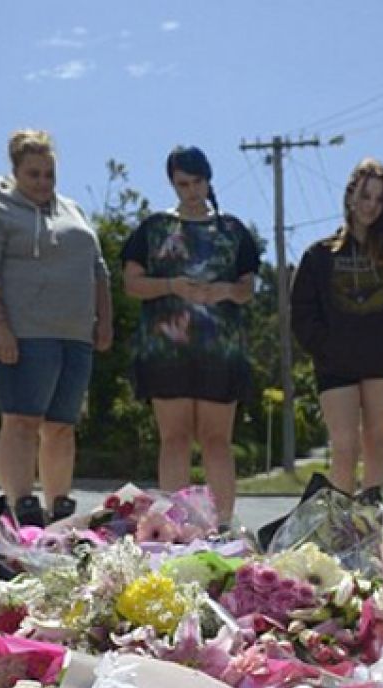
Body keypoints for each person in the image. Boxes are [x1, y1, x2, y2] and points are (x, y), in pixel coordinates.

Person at [0, 130, 113, 527]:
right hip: (24, 333)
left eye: (49, 174)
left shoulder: (73, 210)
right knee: (22, 420)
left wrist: (105, 320)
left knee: (62, 426)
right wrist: (0, 328)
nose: (43, 183)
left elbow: (99, 269)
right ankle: (22, 506)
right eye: (34, 175)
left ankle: (60, 507)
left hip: (75, 335)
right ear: (15, 172)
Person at [121, 146, 260, 526]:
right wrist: (171, 285)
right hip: (167, 351)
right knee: (175, 438)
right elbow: (131, 284)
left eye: (198, 182)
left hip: (220, 351)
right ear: (172, 183)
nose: (192, 190)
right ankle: (174, 524)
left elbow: (248, 287)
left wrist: (226, 291)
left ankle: (224, 524)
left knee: (217, 439)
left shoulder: (233, 230)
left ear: (208, 178)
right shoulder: (153, 228)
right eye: (183, 183)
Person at [291, 158, 383, 494]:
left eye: (380, 200)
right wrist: (327, 346)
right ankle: (341, 531)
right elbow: (303, 315)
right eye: (366, 196)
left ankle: (375, 526)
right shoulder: (318, 257)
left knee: (376, 442)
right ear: (351, 196)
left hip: (382, 365)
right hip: (334, 366)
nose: (371, 207)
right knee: (344, 447)